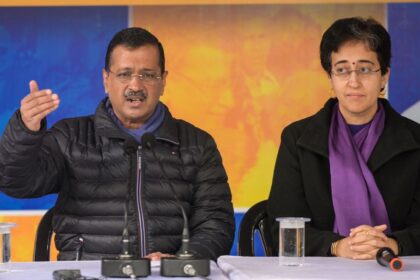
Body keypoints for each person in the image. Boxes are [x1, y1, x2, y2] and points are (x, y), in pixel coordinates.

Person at [0, 27, 235, 261]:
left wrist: (182, 261)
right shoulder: (70, 137)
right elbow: (15, 183)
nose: (135, 86)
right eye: (124, 74)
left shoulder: (198, 144)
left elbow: (215, 223)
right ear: (106, 80)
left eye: (148, 75)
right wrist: (25, 129)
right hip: (89, 275)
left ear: (163, 81)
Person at [267, 17, 420, 259]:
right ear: (330, 77)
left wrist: (393, 244)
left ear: (384, 76)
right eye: (342, 70)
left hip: (397, 268)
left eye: (365, 69)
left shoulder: (415, 140)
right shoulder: (297, 139)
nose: (353, 81)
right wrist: (337, 246)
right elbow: (280, 230)